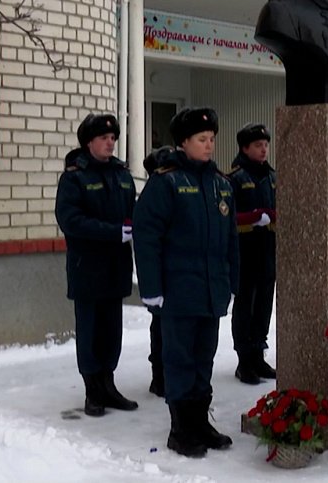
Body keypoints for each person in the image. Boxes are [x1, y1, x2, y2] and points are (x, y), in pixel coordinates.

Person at [132, 108, 239, 458]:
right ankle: (180, 429)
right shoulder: (167, 183)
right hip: (178, 290)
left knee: (203, 357)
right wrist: (152, 288)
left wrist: (232, 280)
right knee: (179, 358)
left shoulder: (222, 184)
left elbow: (231, 240)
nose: (209, 146)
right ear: (183, 142)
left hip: (211, 290)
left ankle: (200, 422)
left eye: (211, 140)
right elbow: (147, 238)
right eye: (201, 140)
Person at [55, 113, 138, 417]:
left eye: (113, 138)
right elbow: (70, 220)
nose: (110, 143)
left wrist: (134, 226)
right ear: (88, 142)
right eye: (104, 138)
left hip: (116, 265)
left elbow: (134, 211)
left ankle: (108, 384)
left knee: (112, 329)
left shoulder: (121, 175)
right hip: (87, 266)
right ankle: (93, 390)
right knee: (90, 329)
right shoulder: (75, 177)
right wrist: (113, 232)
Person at [229, 123, 278, 385]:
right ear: (245, 148)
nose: (264, 149)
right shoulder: (235, 178)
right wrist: (251, 219)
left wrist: (272, 218)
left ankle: (259, 354)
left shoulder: (272, 176)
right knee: (245, 305)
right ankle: (244, 359)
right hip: (245, 252)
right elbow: (228, 218)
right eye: (258, 145)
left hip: (268, 251)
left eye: (266, 145)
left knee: (264, 305)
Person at [141, 145, 174, 398]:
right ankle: (159, 375)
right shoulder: (155, 190)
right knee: (160, 325)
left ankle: (166, 375)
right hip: (162, 268)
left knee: (169, 328)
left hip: (176, 270)